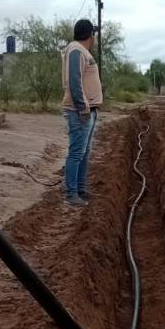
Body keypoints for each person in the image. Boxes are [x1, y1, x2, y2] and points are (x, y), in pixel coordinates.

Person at [61, 18, 103, 206]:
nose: (94, 38)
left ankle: (80, 189)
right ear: (90, 35)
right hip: (81, 112)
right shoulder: (76, 50)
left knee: (84, 153)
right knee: (77, 153)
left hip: (89, 111)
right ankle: (72, 194)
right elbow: (74, 80)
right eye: (93, 34)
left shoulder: (82, 51)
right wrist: (83, 106)